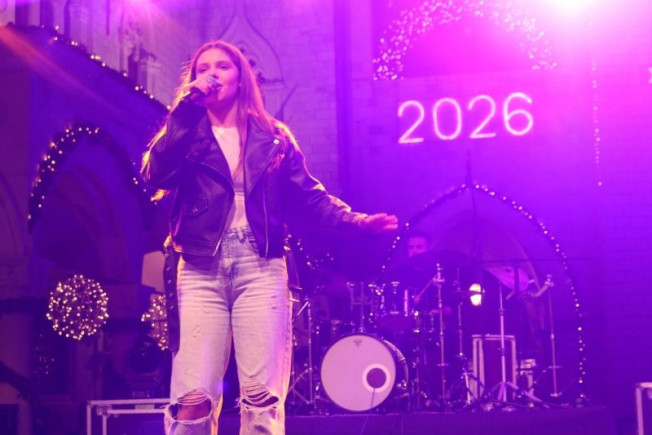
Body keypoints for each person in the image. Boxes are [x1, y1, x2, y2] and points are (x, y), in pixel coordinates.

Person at [141, 40, 398, 434]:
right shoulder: (186, 132)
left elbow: (310, 198)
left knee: (261, 399)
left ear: (240, 78)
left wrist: (358, 222)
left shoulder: (273, 136)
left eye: (222, 66)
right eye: (202, 69)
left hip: (260, 266)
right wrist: (182, 113)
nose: (211, 75)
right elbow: (155, 174)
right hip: (198, 268)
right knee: (193, 400)